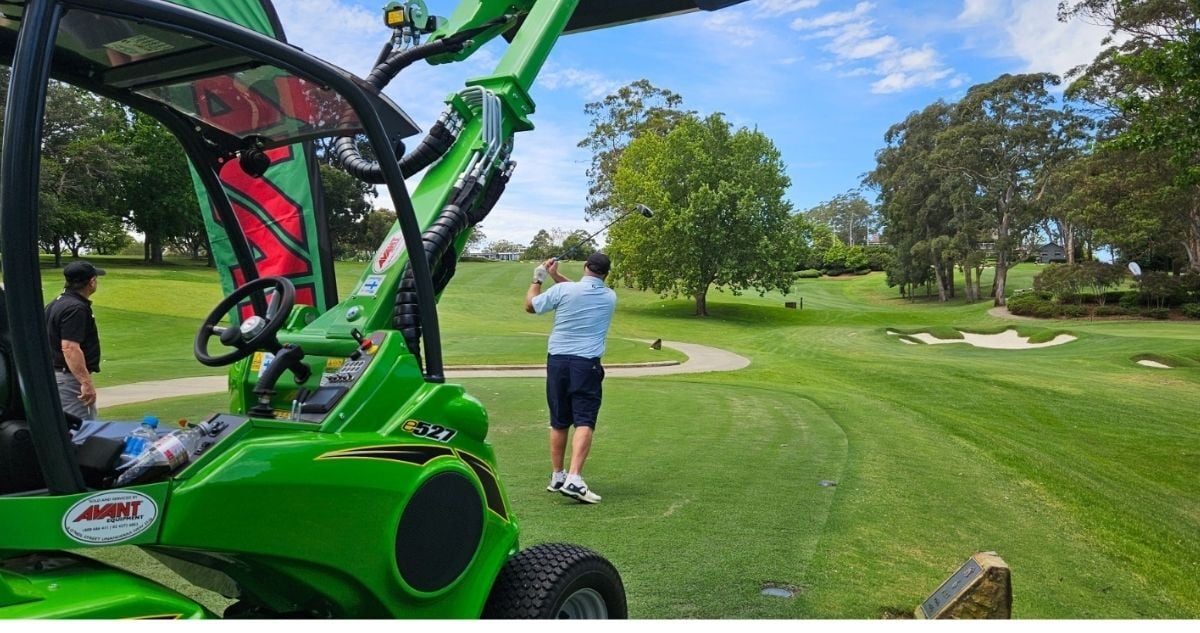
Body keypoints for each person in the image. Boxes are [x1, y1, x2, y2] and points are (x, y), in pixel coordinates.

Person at [524, 252, 616, 504]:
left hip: (557, 363)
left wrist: (538, 278)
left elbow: (531, 305)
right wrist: (554, 276)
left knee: (559, 421)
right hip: (586, 366)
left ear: (586, 267)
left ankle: (557, 476)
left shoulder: (565, 292)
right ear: (606, 274)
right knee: (584, 420)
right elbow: (575, 290)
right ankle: (574, 478)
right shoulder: (609, 296)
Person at [45, 261, 105, 420]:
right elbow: (70, 348)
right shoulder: (75, 308)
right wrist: (86, 382)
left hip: (57, 376)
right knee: (80, 430)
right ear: (91, 282)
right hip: (69, 379)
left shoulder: (57, 302)